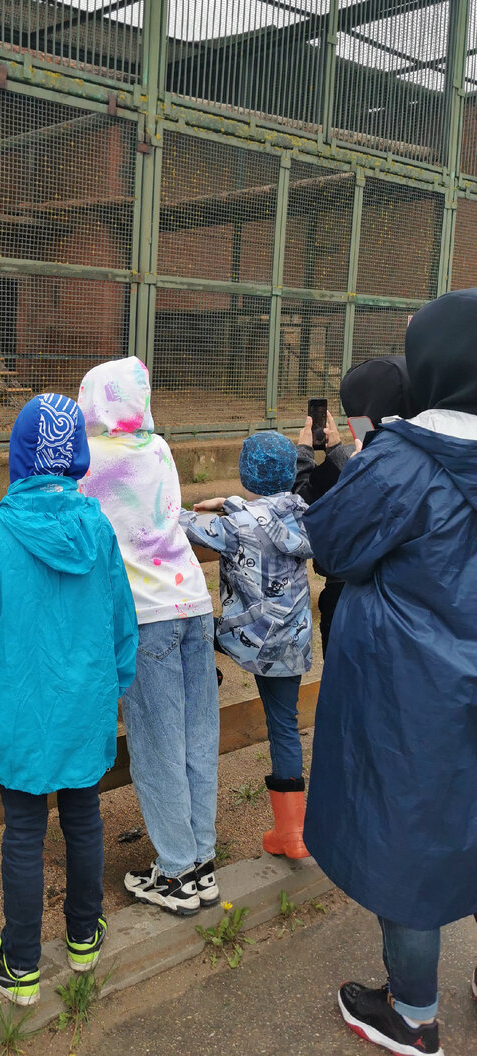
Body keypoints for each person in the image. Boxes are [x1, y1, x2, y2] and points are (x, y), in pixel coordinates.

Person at [302, 289, 477, 1056]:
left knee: (410, 845)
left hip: (417, 694)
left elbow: (334, 545)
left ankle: (412, 1016)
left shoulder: (407, 460)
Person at [0, 393, 137, 1006]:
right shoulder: (98, 529)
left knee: (24, 832)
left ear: (18, 456)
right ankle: (83, 937)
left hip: (21, 710)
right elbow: (120, 621)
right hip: (84, 707)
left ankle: (19, 964)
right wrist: (117, 683)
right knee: (83, 817)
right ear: (76, 456)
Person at [77, 357, 220, 916]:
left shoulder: (90, 462)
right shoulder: (158, 449)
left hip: (145, 614)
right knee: (197, 734)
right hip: (192, 602)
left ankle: (177, 871)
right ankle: (201, 860)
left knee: (158, 744)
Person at [180, 431, 313, 860]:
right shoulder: (304, 512)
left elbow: (182, 525)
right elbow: (268, 516)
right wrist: (232, 503)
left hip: (241, 639)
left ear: (246, 472)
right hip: (288, 644)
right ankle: (292, 834)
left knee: (193, 633)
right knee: (284, 728)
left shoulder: (234, 526)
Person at [294, 356, 414, 656]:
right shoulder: (429, 456)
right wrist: (337, 452)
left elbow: (303, 511)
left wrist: (305, 454)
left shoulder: (362, 465)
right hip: (411, 603)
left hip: (351, 595)